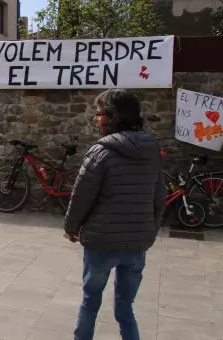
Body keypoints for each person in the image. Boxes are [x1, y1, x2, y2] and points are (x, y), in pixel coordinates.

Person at [63, 89, 165, 340]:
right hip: (136, 245)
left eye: (98, 114)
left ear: (113, 117)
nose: (96, 119)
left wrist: (70, 227)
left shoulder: (100, 152)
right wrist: (150, 230)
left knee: (90, 301)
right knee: (125, 307)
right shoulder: (151, 152)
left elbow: (81, 197)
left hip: (102, 242)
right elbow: (159, 198)